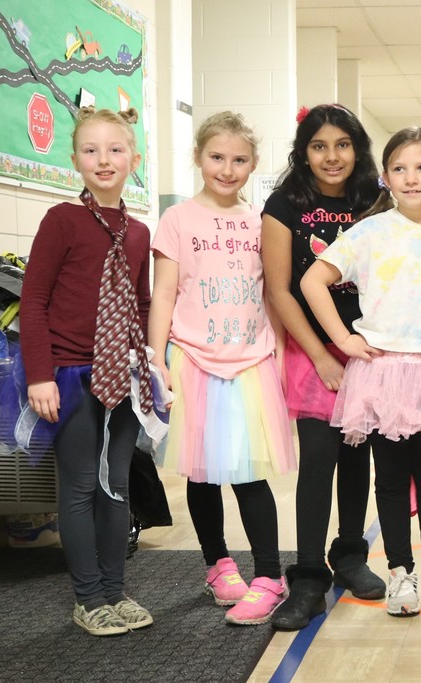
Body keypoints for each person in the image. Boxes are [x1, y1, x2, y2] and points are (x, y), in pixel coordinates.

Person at [301, 126, 421, 618]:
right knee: (388, 478)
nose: (411, 178)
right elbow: (312, 280)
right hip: (383, 374)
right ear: (385, 177)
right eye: (400, 169)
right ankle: (401, 571)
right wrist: (343, 340)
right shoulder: (369, 232)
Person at [148, 111, 297, 625]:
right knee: (202, 472)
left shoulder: (261, 221)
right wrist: (155, 360)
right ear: (198, 158)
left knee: (250, 475)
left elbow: (273, 295)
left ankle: (271, 575)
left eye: (239, 160)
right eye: (217, 157)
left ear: (254, 164)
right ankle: (217, 565)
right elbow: (164, 292)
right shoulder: (177, 220)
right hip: (193, 360)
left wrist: (277, 354)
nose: (227, 169)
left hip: (250, 363)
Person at [18, 107, 157, 636]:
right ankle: (88, 597)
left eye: (115, 149)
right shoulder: (61, 221)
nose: (104, 160)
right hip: (70, 375)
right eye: (91, 150)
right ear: (75, 159)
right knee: (78, 487)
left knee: (115, 485)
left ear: (133, 159)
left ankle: (116, 591)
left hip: (122, 376)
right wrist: (39, 374)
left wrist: (150, 365)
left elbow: (141, 304)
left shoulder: (140, 232)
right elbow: (33, 300)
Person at [262, 104, 386, 631]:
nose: (331, 156)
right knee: (319, 454)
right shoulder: (285, 204)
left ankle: (350, 555)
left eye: (341, 145)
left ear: (356, 148)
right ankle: (309, 573)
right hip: (313, 348)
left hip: (370, 348)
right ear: (303, 152)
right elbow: (279, 289)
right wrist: (317, 353)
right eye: (318, 146)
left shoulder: (376, 201)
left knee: (358, 454)